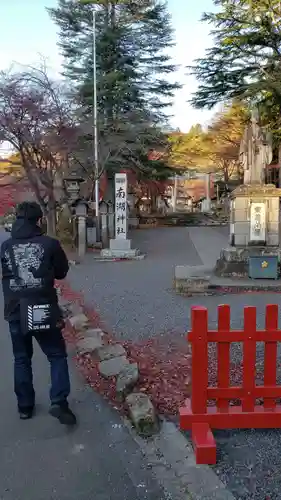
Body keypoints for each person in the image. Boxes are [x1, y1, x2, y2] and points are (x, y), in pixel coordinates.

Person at [0, 201, 76, 425]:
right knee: (56, 355)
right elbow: (61, 272)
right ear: (39, 220)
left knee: (21, 358)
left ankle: (25, 407)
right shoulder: (49, 244)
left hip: (15, 310)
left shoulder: (5, 247)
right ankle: (59, 401)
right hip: (43, 307)